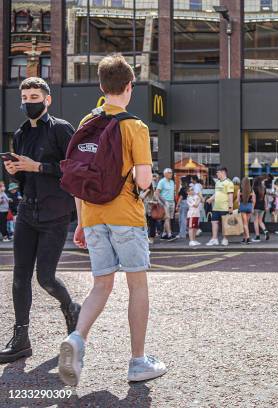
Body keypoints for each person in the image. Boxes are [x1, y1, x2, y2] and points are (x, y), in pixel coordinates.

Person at [59, 54, 166, 386]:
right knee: (137, 285)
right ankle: (137, 362)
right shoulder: (135, 126)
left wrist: (80, 221)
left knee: (101, 285)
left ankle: (77, 339)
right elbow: (145, 180)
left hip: (91, 214)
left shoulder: (86, 123)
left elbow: (79, 177)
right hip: (125, 215)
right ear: (130, 86)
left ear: (102, 87)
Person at [0, 77, 80, 364]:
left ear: (47, 100)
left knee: (45, 277)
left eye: (34, 96)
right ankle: (21, 339)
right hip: (27, 212)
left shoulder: (60, 129)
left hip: (55, 214)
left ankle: (71, 307)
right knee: (19, 277)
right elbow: (24, 176)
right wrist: (15, 170)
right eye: (25, 97)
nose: (28, 102)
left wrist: (38, 166)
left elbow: (74, 169)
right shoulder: (20, 133)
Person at [206, 167, 234, 246]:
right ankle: (214, 239)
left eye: (218, 172)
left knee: (224, 224)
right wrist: (211, 199)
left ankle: (225, 239)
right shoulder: (217, 182)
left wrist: (230, 207)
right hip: (216, 207)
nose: (216, 174)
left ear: (223, 172)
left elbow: (230, 196)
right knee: (214, 222)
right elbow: (216, 193)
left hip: (225, 207)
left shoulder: (229, 182)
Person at [155, 168, 177, 241]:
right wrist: (164, 202)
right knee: (167, 218)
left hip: (172, 202)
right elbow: (157, 193)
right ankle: (169, 234)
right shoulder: (162, 181)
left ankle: (164, 234)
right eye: (169, 172)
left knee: (168, 218)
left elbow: (173, 193)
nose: (171, 174)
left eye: (171, 172)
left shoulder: (172, 182)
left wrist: (174, 201)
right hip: (165, 202)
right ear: (165, 174)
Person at [238, 177, 256, 244]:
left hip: (243, 207)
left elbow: (238, 201)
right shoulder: (251, 190)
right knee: (246, 224)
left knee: (244, 224)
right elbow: (254, 201)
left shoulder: (240, 190)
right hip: (249, 207)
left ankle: (247, 238)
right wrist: (252, 208)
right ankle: (244, 238)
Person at [252, 176, 270, 242]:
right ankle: (266, 231)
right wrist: (266, 206)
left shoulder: (254, 188)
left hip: (256, 207)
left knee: (255, 221)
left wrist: (252, 208)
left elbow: (254, 200)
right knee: (260, 221)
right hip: (262, 207)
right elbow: (265, 199)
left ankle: (257, 237)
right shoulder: (263, 188)